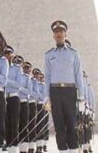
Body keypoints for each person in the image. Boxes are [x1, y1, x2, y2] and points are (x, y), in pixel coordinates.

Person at [44, 20, 85, 153]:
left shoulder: (74, 53)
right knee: (59, 125)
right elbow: (47, 76)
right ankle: (63, 150)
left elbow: (79, 76)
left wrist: (82, 97)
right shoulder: (49, 55)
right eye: (56, 32)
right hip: (55, 91)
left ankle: (73, 150)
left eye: (61, 31)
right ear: (53, 36)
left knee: (72, 124)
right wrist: (46, 96)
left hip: (70, 91)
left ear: (65, 34)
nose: (59, 34)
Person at [4, 47, 23, 153]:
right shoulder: (1, 68)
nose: (7, 55)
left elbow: (18, 85)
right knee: (6, 122)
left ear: (12, 55)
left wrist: (6, 80)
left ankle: (14, 146)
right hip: (4, 97)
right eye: (6, 53)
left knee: (14, 123)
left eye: (9, 53)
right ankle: (8, 144)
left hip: (14, 97)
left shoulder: (17, 68)